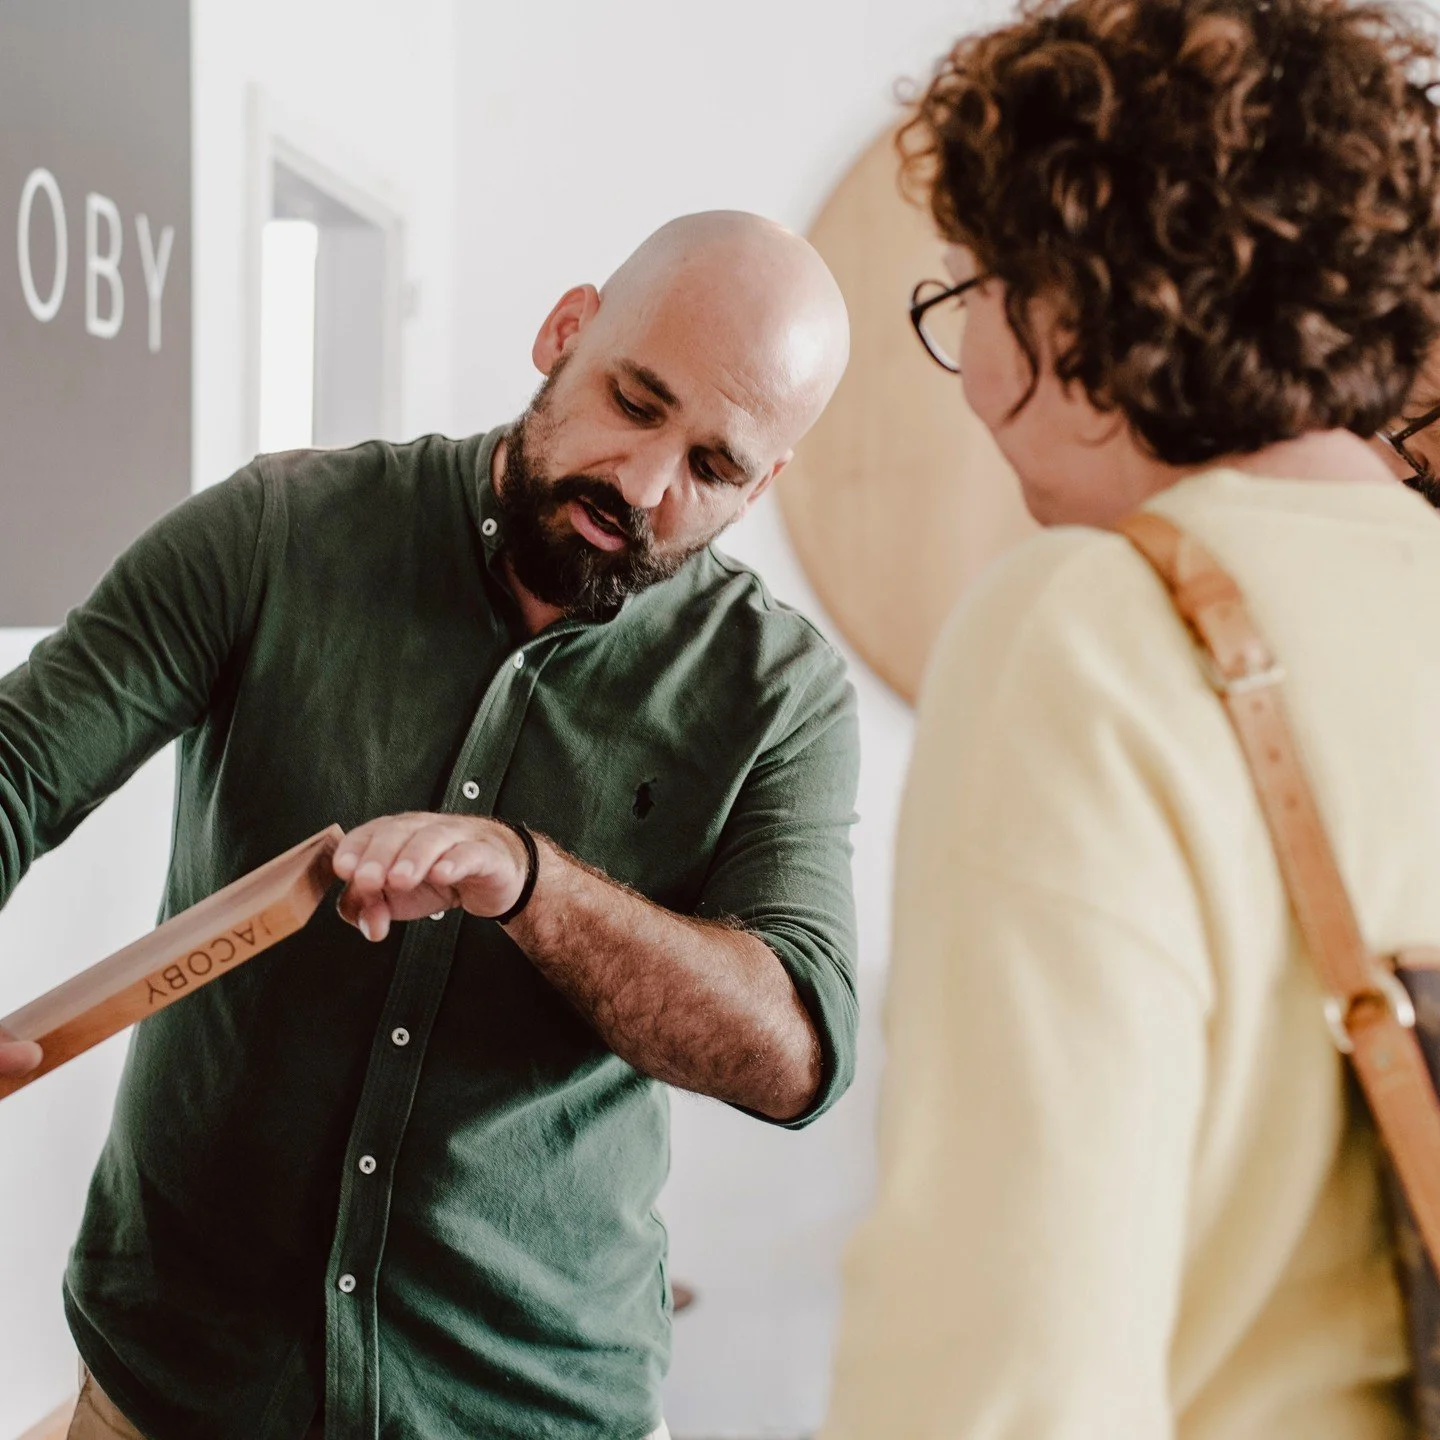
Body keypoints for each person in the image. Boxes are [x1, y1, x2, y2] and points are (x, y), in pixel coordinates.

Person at [0, 210, 859, 1440]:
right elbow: (18, 763)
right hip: (174, 1389)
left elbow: (795, 1053)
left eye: (714, 467)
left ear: (765, 482)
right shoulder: (280, 532)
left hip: (534, 1411)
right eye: (635, 399)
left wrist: (534, 887)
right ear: (565, 332)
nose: (645, 483)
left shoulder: (780, 691)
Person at [821, 2, 1440, 1436]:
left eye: (968, 289)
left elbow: (1006, 1373)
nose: (968, 366)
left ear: (1075, 301)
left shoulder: (1095, 630)